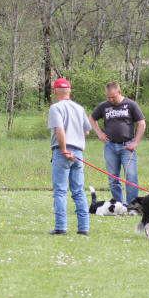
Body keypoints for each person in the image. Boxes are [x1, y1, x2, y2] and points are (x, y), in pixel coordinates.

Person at [89, 81, 146, 205]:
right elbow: (92, 118)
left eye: (113, 97)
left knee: (131, 176)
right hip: (110, 146)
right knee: (113, 178)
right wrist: (99, 133)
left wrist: (135, 142)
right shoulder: (104, 106)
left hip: (127, 146)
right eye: (108, 97)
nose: (111, 99)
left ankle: (132, 205)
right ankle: (119, 205)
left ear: (119, 92)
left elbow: (141, 123)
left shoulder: (131, 104)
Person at [47, 77, 92, 235]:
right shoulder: (79, 108)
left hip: (62, 152)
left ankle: (61, 227)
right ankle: (84, 227)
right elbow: (86, 131)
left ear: (55, 92)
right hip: (78, 152)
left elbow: (59, 129)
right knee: (78, 191)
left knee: (60, 191)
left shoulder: (55, 108)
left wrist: (65, 149)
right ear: (69, 91)